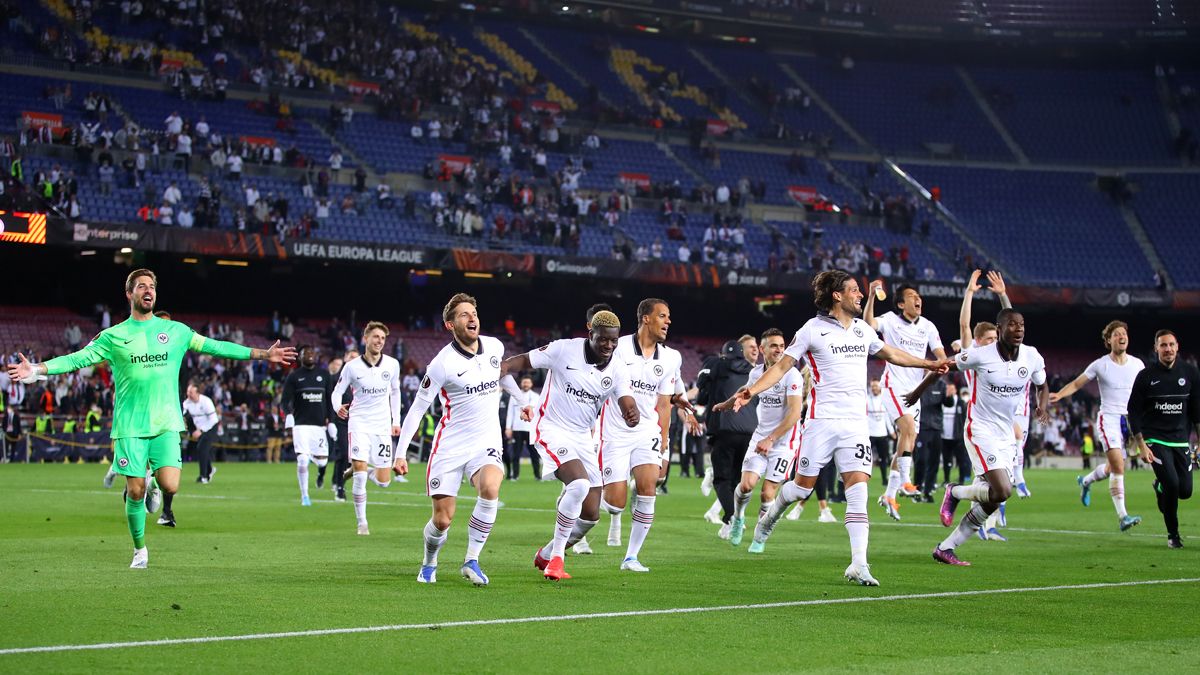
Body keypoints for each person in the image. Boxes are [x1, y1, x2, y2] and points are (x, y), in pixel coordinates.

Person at [6, 269, 294, 568]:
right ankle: (140, 550)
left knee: (171, 485)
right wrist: (37, 370)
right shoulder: (114, 336)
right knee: (134, 490)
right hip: (130, 425)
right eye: (141, 286)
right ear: (129, 294)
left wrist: (263, 354)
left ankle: (155, 483)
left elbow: (216, 346)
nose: (148, 290)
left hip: (166, 422)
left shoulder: (177, 332)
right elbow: (77, 358)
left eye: (152, 286)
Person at [732, 271, 949, 584]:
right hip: (821, 423)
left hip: (855, 425)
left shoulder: (862, 329)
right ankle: (772, 514)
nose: (860, 295)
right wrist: (751, 391)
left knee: (857, 490)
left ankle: (859, 564)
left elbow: (891, 353)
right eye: (854, 291)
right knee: (801, 487)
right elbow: (782, 366)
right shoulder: (812, 330)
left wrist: (928, 363)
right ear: (837, 295)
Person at [393, 293, 521, 585]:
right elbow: (417, 409)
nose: (472, 317)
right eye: (463, 314)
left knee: (490, 488)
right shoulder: (442, 364)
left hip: (486, 440)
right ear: (450, 325)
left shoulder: (495, 346)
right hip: (450, 445)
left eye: (473, 312)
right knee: (442, 521)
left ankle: (472, 560)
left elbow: (500, 374)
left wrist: (519, 398)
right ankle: (429, 562)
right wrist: (401, 454)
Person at [504, 310, 638, 581]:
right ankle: (557, 561)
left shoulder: (617, 368)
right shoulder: (563, 350)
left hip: (582, 438)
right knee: (578, 485)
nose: (609, 346)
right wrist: (521, 400)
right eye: (603, 340)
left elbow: (627, 401)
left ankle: (547, 552)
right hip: (551, 428)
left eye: (613, 341)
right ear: (591, 334)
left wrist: (631, 413)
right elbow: (507, 366)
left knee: (590, 514)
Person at [910, 308, 1049, 567]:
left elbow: (1042, 383)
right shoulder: (981, 355)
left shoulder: (1031, 356)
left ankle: (946, 547)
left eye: (1021, 325)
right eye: (1012, 325)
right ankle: (955, 492)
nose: (1018, 329)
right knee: (1003, 489)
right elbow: (944, 366)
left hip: (1006, 434)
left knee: (996, 498)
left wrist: (1042, 405)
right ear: (999, 329)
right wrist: (918, 392)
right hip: (980, 428)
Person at [596, 298, 683, 572]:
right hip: (614, 431)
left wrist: (665, 443)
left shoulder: (671, 357)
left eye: (668, 316)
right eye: (662, 316)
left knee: (649, 487)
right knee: (615, 503)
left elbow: (663, 405)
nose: (668, 321)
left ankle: (631, 557)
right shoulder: (617, 347)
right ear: (646, 318)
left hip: (648, 432)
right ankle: (592, 496)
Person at [710, 328, 808, 548]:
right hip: (760, 438)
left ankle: (760, 534)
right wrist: (727, 404)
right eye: (774, 346)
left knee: (767, 493)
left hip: (784, 443)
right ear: (763, 349)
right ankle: (738, 518)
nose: (779, 350)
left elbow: (794, 414)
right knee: (746, 485)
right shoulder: (756, 374)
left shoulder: (791, 375)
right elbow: (747, 390)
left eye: (782, 346)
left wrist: (771, 439)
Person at [1051, 320, 1145, 531]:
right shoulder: (1100, 364)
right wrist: (1060, 394)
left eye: (1124, 333)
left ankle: (1085, 481)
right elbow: (1077, 383)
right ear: (1108, 340)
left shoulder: (1138, 364)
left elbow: (1145, 392)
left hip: (1129, 421)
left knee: (1113, 467)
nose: (1122, 337)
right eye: (1117, 334)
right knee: (1119, 467)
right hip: (1109, 418)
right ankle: (1123, 517)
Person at [864, 283, 947, 521]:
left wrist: (941, 364)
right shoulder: (890, 319)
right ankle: (906, 482)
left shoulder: (928, 327)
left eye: (919, 296)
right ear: (901, 304)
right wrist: (871, 296)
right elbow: (869, 325)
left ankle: (889, 495)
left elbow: (940, 356)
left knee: (906, 441)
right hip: (893, 385)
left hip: (915, 390)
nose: (917, 299)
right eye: (912, 296)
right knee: (908, 429)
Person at [1127, 330, 1200, 549]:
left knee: (1185, 491)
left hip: (1180, 440)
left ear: (1177, 347)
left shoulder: (1191, 372)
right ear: (1156, 349)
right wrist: (1141, 444)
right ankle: (1173, 535)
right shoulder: (1146, 376)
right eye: (1163, 345)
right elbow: (1133, 411)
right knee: (1172, 484)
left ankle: (1159, 487)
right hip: (1155, 439)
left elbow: (1196, 410)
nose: (1167, 349)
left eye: (1171, 345)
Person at [332, 322, 402, 536]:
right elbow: (337, 392)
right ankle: (362, 524)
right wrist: (337, 408)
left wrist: (396, 421)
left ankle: (356, 469)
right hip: (359, 422)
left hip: (381, 426)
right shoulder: (352, 367)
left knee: (384, 482)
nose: (379, 341)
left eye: (382, 338)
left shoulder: (392, 364)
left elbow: (396, 393)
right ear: (365, 339)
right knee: (361, 476)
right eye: (375, 337)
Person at [698, 335, 758, 538]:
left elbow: (701, 393)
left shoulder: (716, 364)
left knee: (722, 479)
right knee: (735, 480)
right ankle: (728, 521)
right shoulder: (753, 371)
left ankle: (733, 518)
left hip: (724, 428)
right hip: (750, 431)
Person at [281, 346, 335, 506]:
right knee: (302, 460)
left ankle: (320, 472)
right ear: (300, 357)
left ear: (316, 356)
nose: (309, 355)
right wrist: (289, 415)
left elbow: (330, 400)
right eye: (306, 353)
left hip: (319, 427)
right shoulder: (294, 377)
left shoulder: (324, 375)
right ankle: (305, 496)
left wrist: (331, 421)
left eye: (312, 353)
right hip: (301, 426)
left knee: (322, 462)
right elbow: (284, 401)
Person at [328, 350, 357, 502]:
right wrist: (330, 420)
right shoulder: (334, 379)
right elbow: (329, 400)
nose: (353, 359)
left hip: (358, 423)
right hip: (341, 422)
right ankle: (340, 487)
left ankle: (337, 480)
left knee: (348, 456)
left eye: (355, 357)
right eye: (350, 356)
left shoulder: (362, 378)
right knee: (345, 454)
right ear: (345, 358)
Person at [182, 382, 220, 490]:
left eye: (191, 392)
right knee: (202, 449)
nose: (189, 394)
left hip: (210, 427)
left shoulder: (206, 401)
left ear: (197, 392)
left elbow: (213, 419)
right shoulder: (187, 403)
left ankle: (204, 476)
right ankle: (210, 470)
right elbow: (183, 414)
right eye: (188, 392)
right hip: (199, 428)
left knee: (201, 448)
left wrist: (201, 430)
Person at [504, 376, 540, 480]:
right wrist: (508, 428)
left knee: (534, 454)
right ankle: (515, 476)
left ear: (531, 384)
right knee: (516, 454)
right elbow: (510, 412)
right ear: (521, 384)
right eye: (524, 382)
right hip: (517, 428)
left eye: (528, 383)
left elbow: (537, 413)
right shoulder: (514, 396)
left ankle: (538, 476)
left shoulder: (535, 396)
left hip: (530, 429)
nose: (526, 384)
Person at [866, 379, 894, 488]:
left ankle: (884, 479)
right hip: (869, 434)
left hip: (882, 433)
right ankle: (865, 479)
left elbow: (887, 417)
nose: (874, 388)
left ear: (880, 387)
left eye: (876, 386)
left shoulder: (884, 400)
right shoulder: (867, 400)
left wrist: (891, 431)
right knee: (867, 459)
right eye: (872, 386)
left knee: (884, 458)